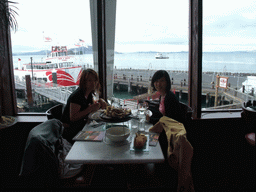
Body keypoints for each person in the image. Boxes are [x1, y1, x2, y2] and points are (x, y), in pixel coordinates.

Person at [61, 69, 107, 144]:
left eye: (95, 80)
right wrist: (90, 109)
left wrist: (100, 101)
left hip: (81, 127)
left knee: (103, 134)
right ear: (83, 82)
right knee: (102, 137)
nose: (93, 83)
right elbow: (73, 118)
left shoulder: (88, 94)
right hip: (71, 131)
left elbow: (89, 108)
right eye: (89, 80)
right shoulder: (77, 96)